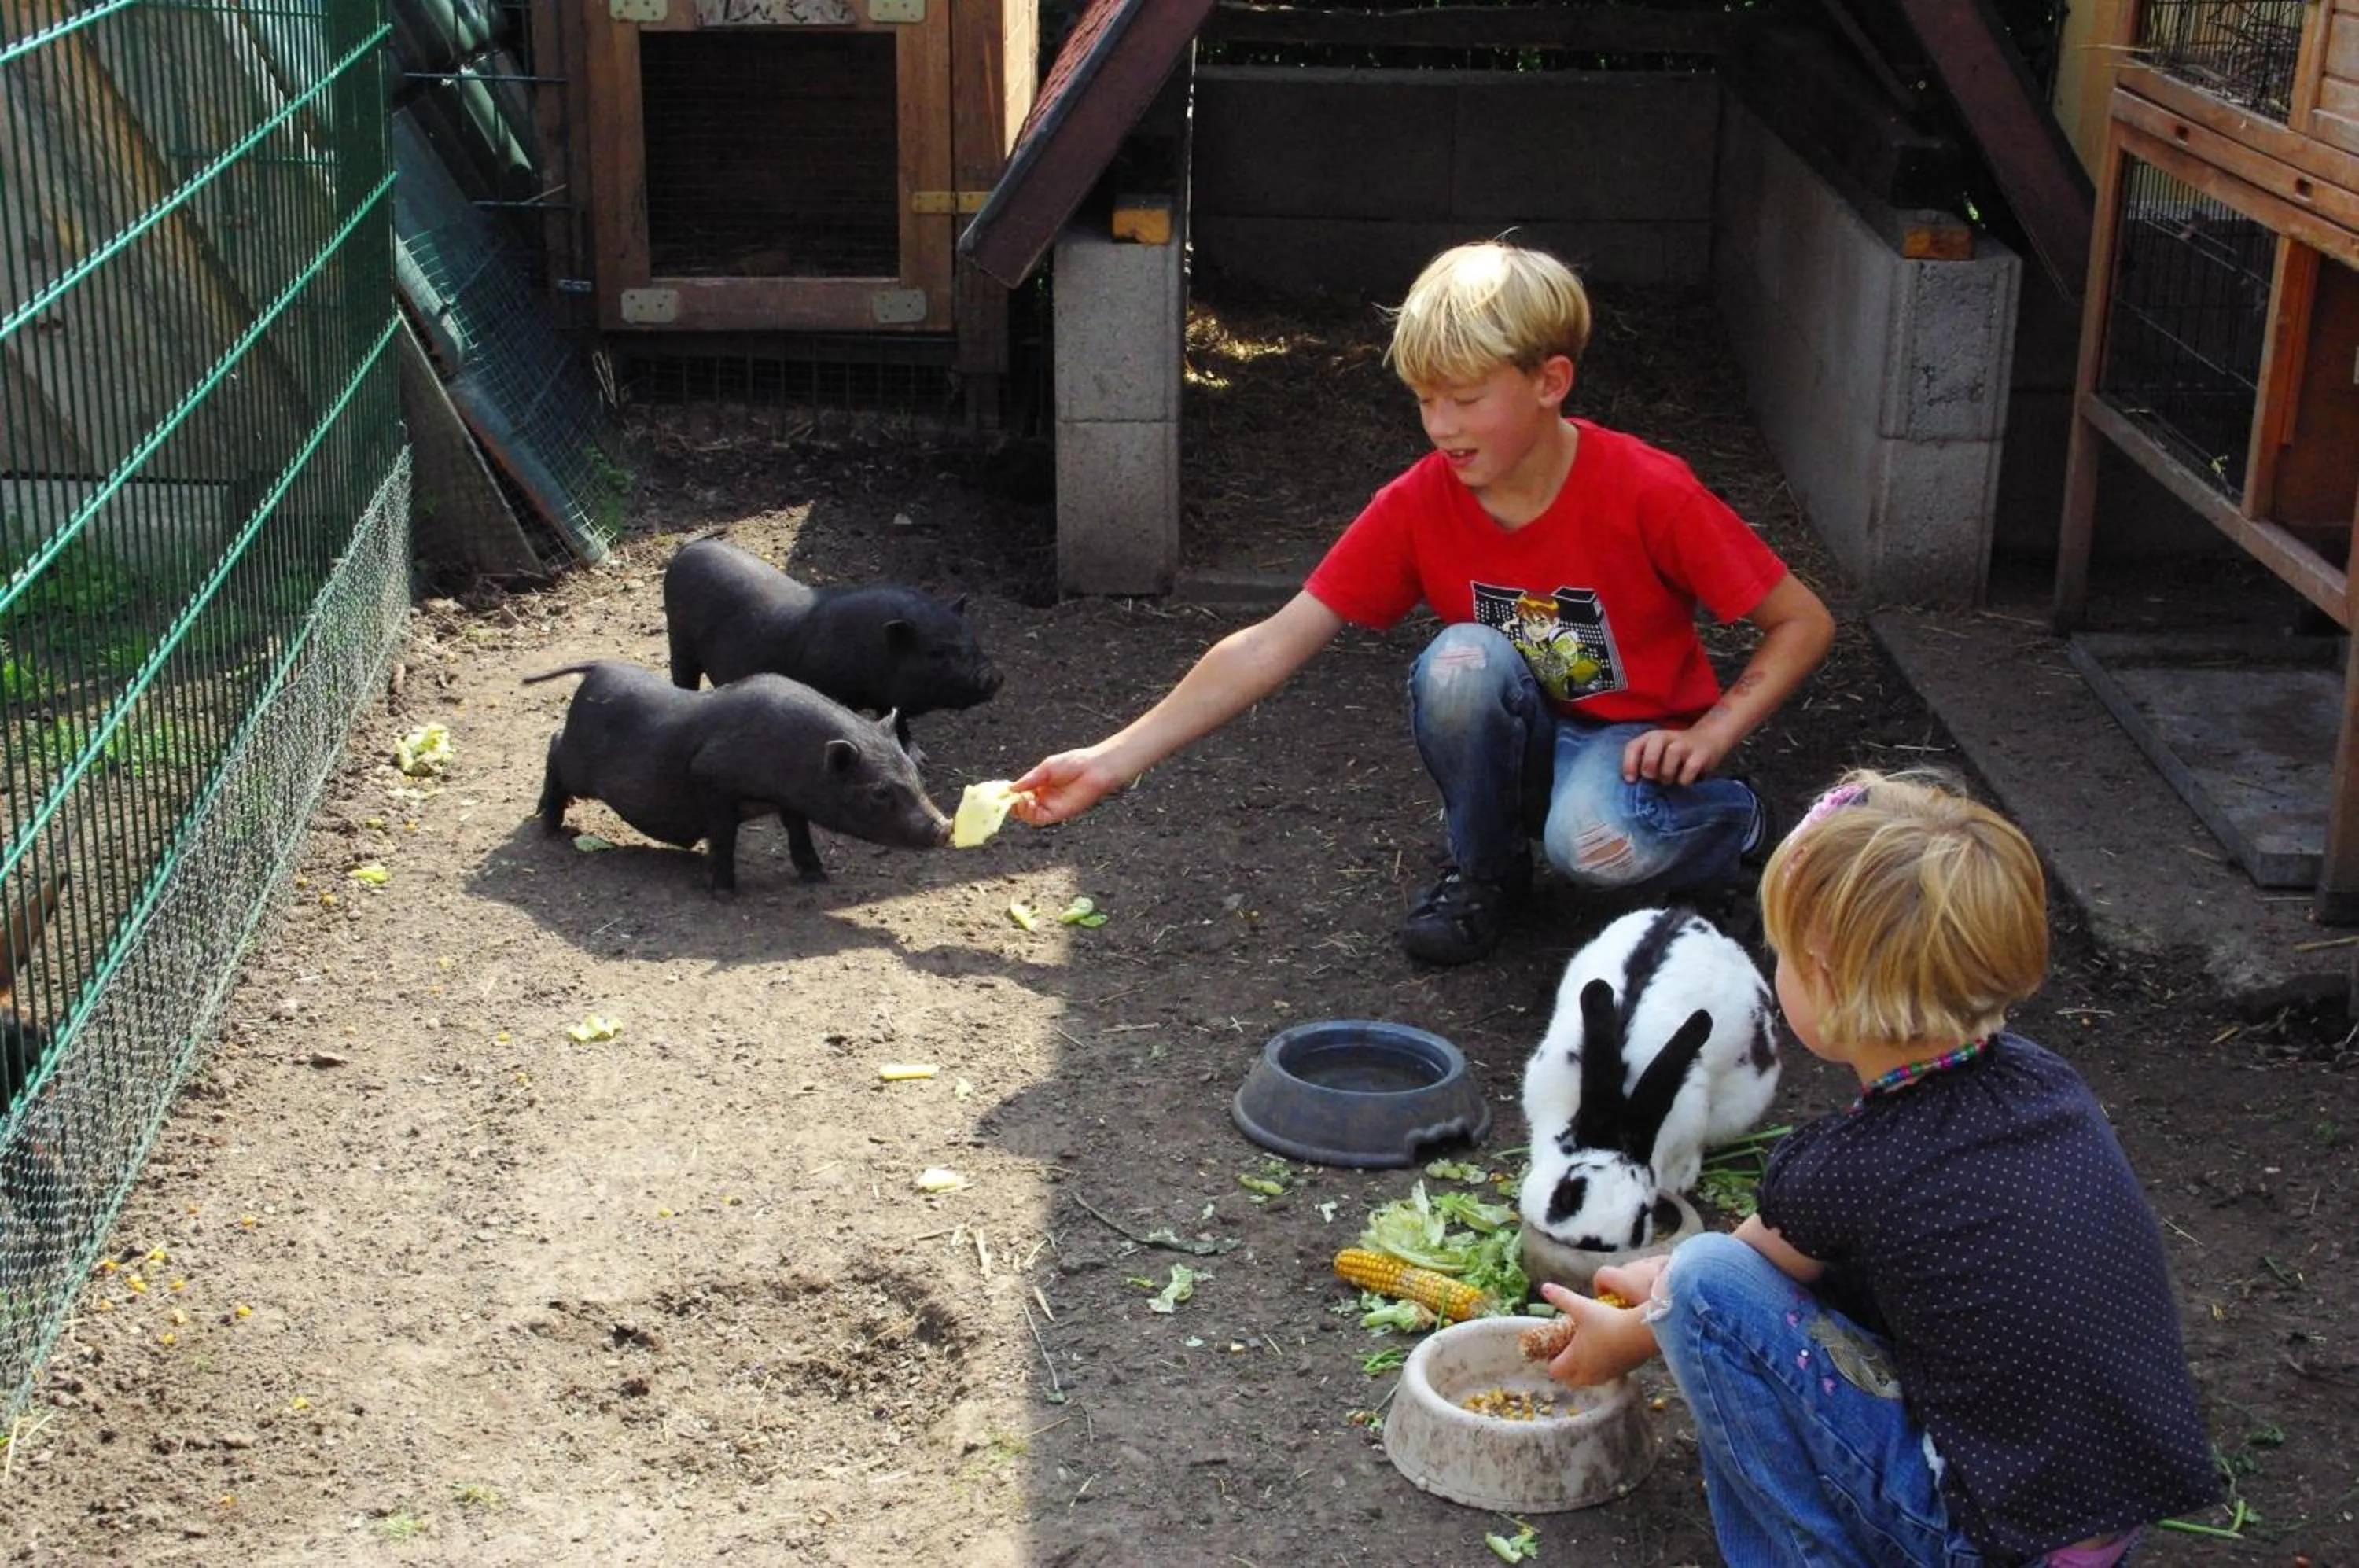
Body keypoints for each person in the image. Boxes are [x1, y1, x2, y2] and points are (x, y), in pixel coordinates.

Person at [1010, 237, 1835, 964]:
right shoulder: (1418, 503)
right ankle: (1485, 868)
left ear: (1551, 381)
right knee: (1460, 661)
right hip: (1526, 734)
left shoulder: (1649, 490)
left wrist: (1717, 729)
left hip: (1632, 741)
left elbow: (1802, 620)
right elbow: (1271, 641)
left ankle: (1735, 827)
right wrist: (1112, 760)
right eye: (1424, 398)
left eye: (1467, 398)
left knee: (1597, 846)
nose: (1441, 425)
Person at [1536, 770, 2223, 1566]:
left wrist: (1627, 1335)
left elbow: (1727, 1280)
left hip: (1982, 1535)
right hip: (2097, 1518)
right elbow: (1803, 1254)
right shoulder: (2042, 1080)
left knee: (1703, 1284)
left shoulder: (1856, 1165)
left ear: (1823, 977)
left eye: (1781, 955)